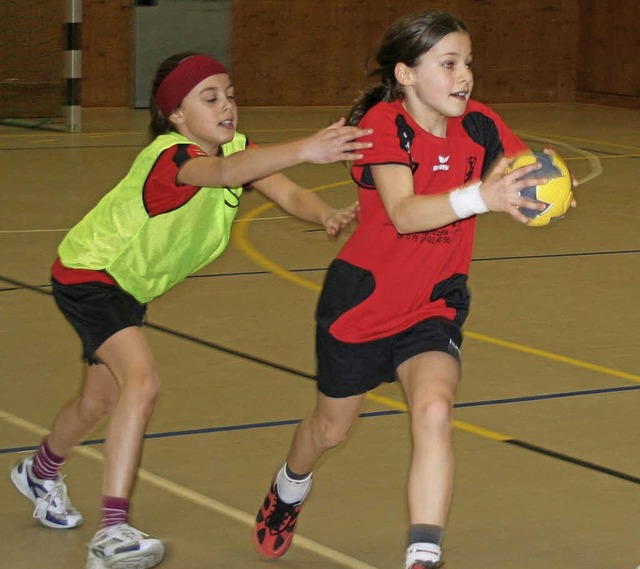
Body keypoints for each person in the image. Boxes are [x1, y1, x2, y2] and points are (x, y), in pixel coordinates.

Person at [9, 52, 372, 569]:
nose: (227, 105)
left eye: (230, 94)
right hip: (91, 275)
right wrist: (308, 147)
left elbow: (287, 192)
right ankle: (112, 532)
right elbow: (224, 172)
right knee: (142, 381)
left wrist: (327, 214)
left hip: (127, 288)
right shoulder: (172, 157)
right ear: (176, 116)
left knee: (98, 400)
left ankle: (40, 471)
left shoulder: (236, 151)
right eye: (210, 97)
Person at [252, 10, 565, 569]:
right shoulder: (382, 123)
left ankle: (424, 555)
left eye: (468, 63)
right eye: (449, 64)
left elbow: (524, 168)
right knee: (329, 429)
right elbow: (402, 213)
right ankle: (289, 487)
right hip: (363, 303)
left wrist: (545, 190)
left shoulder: (482, 124)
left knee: (435, 408)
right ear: (406, 74)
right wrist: (481, 198)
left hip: (434, 301)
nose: (464, 75)